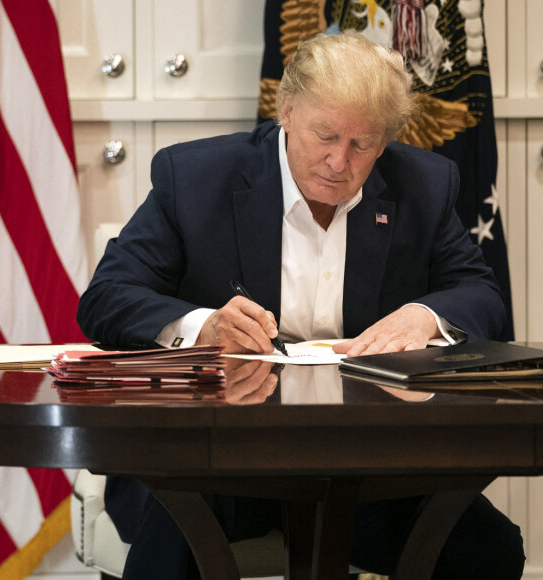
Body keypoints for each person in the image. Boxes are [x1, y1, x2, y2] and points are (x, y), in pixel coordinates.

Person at [77, 32, 524, 579]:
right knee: (177, 532)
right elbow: (106, 298)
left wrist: (426, 315)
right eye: (326, 135)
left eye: (363, 144)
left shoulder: (424, 186)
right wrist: (203, 325)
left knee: (488, 548)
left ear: (386, 140)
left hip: (364, 466)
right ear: (287, 111)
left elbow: (481, 296)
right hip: (213, 458)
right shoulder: (194, 178)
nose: (340, 161)